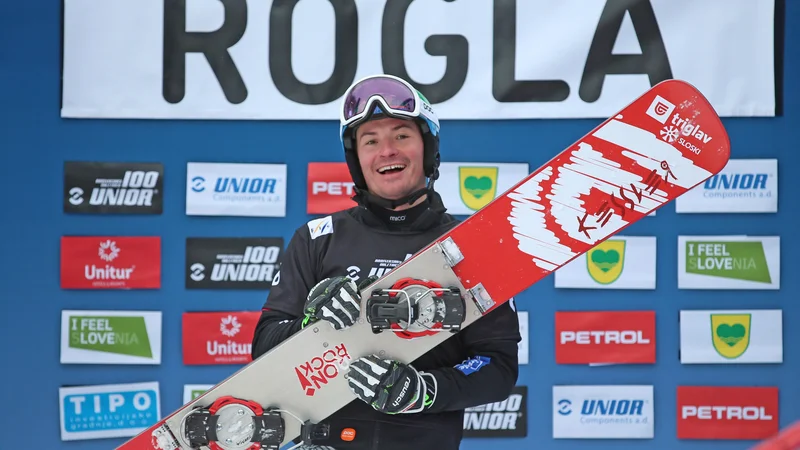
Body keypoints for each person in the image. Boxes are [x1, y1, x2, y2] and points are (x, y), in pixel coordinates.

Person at [251, 74, 522, 450]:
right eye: (371, 141)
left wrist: (425, 390)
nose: (387, 151)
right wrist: (311, 322)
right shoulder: (318, 239)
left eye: (401, 136)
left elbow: (497, 367)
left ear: (427, 148)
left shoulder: (467, 249)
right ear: (356, 159)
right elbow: (264, 347)